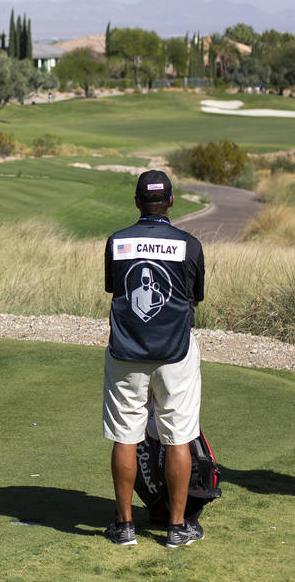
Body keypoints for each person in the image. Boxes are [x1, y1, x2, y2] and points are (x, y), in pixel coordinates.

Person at [102, 170, 205, 548]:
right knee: (178, 438)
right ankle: (177, 528)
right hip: (175, 352)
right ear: (172, 201)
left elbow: (117, 290)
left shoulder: (118, 242)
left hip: (127, 351)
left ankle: (125, 527)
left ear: (136, 201)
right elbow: (194, 298)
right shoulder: (189, 245)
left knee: (126, 435)